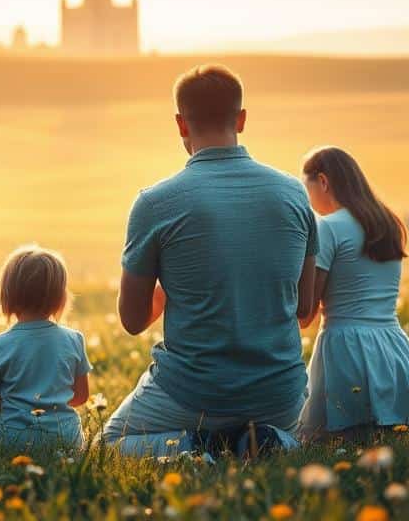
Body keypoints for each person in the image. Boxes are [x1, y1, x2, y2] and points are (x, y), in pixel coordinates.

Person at [103, 64, 318, 456]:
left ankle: (199, 443)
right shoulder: (294, 194)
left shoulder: (155, 203)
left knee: (111, 443)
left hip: (192, 394)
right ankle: (278, 442)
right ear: (241, 119)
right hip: (279, 393)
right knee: (300, 432)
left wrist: (174, 285)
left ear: (181, 125)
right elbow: (304, 311)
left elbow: (132, 322)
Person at [296, 146, 409, 440]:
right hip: (394, 350)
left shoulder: (327, 228)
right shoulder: (388, 223)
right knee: (390, 442)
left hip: (346, 351)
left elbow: (306, 314)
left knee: (320, 442)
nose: (308, 200)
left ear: (323, 182)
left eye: (308, 188)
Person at [0, 245, 93, 448]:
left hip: (11, 439)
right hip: (65, 438)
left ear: (6, 296)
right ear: (61, 298)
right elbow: (81, 397)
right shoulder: (74, 340)